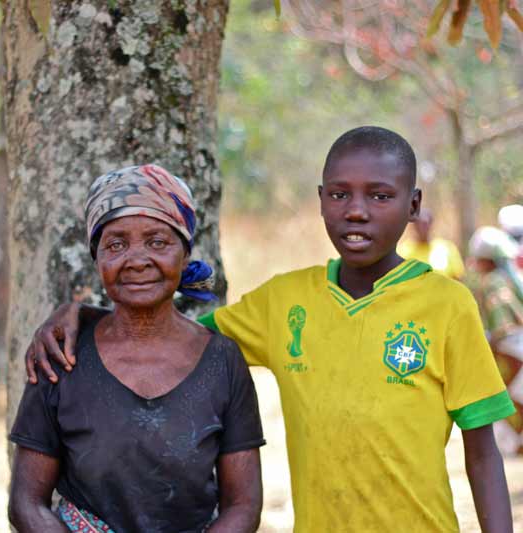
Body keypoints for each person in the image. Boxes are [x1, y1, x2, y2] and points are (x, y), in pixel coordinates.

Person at [27, 127, 516, 532]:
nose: (357, 210)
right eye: (340, 194)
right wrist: (85, 314)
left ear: (413, 205)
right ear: (321, 200)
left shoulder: (448, 305)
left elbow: (481, 454)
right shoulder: (285, 301)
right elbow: (174, 332)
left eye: (380, 196)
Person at [8, 164, 265, 533]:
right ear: (97, 259)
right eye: (116, 244)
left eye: (158, 242)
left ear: (184, 253)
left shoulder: (222, 361)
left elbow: (243, 505)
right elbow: (26, 504)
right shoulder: (61, 355)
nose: (137, 259)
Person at [467, 226, 523, 456]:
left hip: (512, 354)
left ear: (486, 260)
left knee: (511, 404)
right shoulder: (509, 279)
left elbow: (501, 329)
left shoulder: (491, 283)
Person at [397, 207, 465, 279]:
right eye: (420, 224)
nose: (423, 228)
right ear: (413, 226)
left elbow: (458, 278)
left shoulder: (446, 249)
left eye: (426, 224)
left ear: (431, 224)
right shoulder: (403, 252)